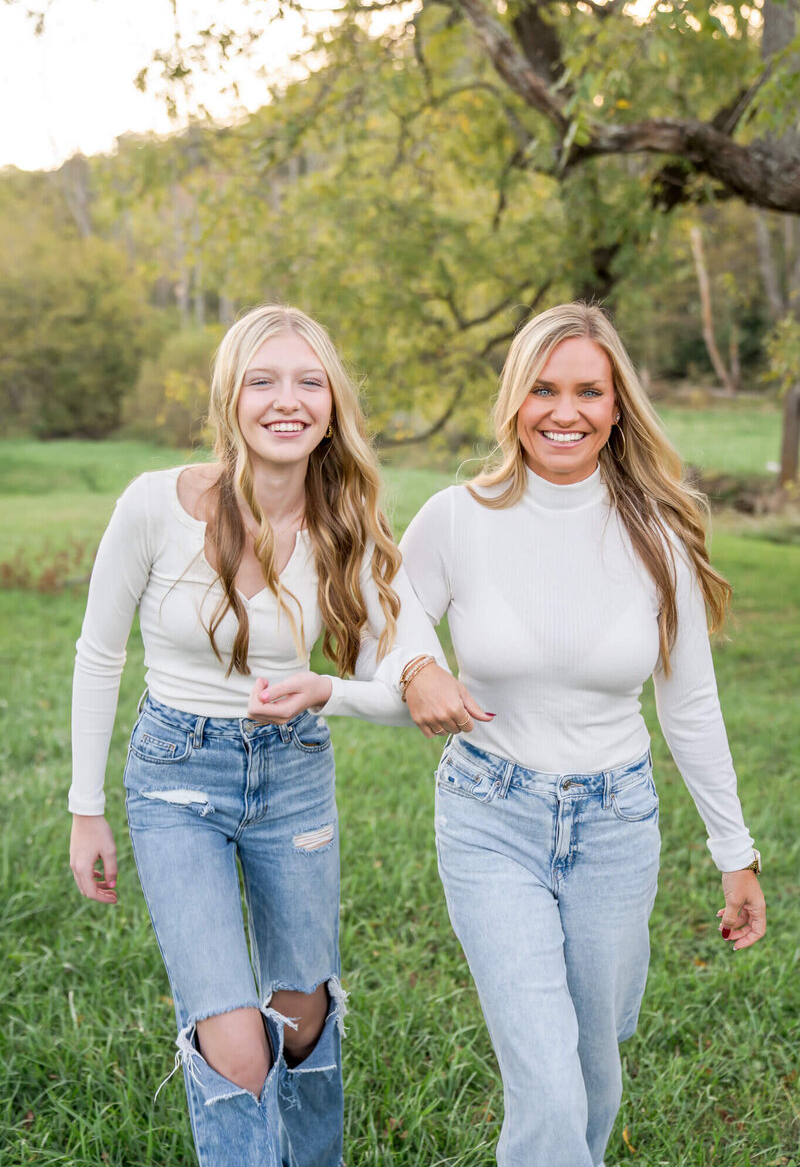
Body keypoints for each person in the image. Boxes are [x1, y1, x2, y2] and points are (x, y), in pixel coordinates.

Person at [251, 301, 766, 1167]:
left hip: (617, 825)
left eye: (587, 392)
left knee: (594, 1072)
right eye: (543, 390)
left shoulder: (657, 535)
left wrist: (734, 850)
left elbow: (691, 708)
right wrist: (377, 680)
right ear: (514, 402)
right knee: (549, 1084)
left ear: (616, 407)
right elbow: (393, 641)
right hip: (492, 816)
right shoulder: (458, 519)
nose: (564, 412)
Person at [68, 304, 444, 1167]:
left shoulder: (348, 526)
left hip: (293, 776)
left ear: (333, 403)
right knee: (236, 1047)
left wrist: (333, 692)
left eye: (309, 381)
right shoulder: (154, 506)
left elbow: (408, 687)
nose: (287, 400)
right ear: (229, 399)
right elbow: (98, 652)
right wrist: (86, 808)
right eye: (262, 380)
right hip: (174, 777)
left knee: (303, 1023)